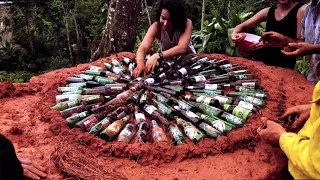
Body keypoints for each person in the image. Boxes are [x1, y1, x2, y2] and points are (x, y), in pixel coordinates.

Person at [231, 0, 306, 69]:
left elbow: (301, 44)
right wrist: (234, 35)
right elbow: (241, 26)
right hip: (263, 65)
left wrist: (275, 43)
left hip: (284, 67)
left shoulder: (301, 10)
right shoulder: (269, 11)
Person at [260, 0, 320, 84]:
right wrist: (284, 41)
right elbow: (303, 43)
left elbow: (309, 47)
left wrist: (312, 48)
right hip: (313, 79)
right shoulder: (309, 10)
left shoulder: (301, 10)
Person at [132, 0, 196, 78]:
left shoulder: (187, 23)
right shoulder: (156, 27)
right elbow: (143, 48)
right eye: (163, 18)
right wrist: (140, 63)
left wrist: (159, 55)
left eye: (170, 20)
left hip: (188, 62)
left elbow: (182, 48)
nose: (165, 23)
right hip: (169, 64)